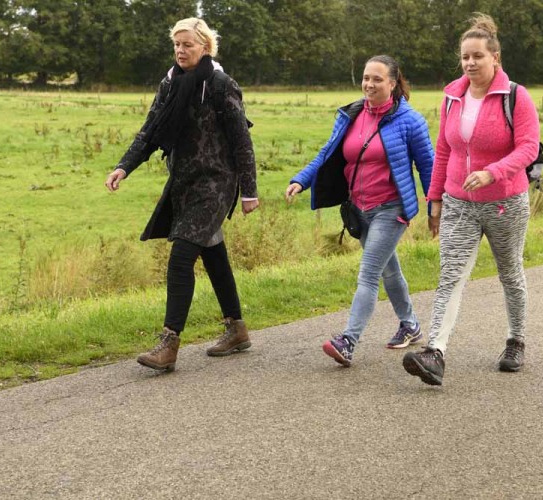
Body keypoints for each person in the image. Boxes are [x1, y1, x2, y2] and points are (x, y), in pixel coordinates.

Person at [105, 18, 259, 372]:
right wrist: (123, 167)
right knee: (214, 255)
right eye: (177, 44)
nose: (180, 50)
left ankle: (169, 343)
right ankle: (236, 328)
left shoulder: (221, 85)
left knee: (180, 258)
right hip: (183, 183)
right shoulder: (170, 84)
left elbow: (242, 141)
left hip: (217, 184)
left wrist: (249, 191)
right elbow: (150, 131)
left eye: (187, 44)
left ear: (205, 46)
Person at [402, 13, 540, 385]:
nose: (470, 63)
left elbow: (529, 148)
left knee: (510, 273)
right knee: (451, 274)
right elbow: (444, 150)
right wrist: (435, 199)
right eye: (465, 56)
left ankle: (516, 341)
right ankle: (434, 352)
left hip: (505, 202)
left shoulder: (516, 96)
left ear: (495, 57)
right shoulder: (452, 95)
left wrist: (493, 172)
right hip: (459, 202)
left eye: (478, 56)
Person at [286, 55, 434, 367]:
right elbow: (326, 153)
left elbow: (428, 167)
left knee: (368, 274)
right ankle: (410, 325)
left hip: (391, 209)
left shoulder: (411, 121)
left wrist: (435, 207)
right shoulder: (351, 114)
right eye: (366, 78)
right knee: (388, 270)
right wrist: (301, 180)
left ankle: (348, 341)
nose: (369, 84)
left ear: (392, 83)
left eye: (377, 79)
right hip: (359, 209)